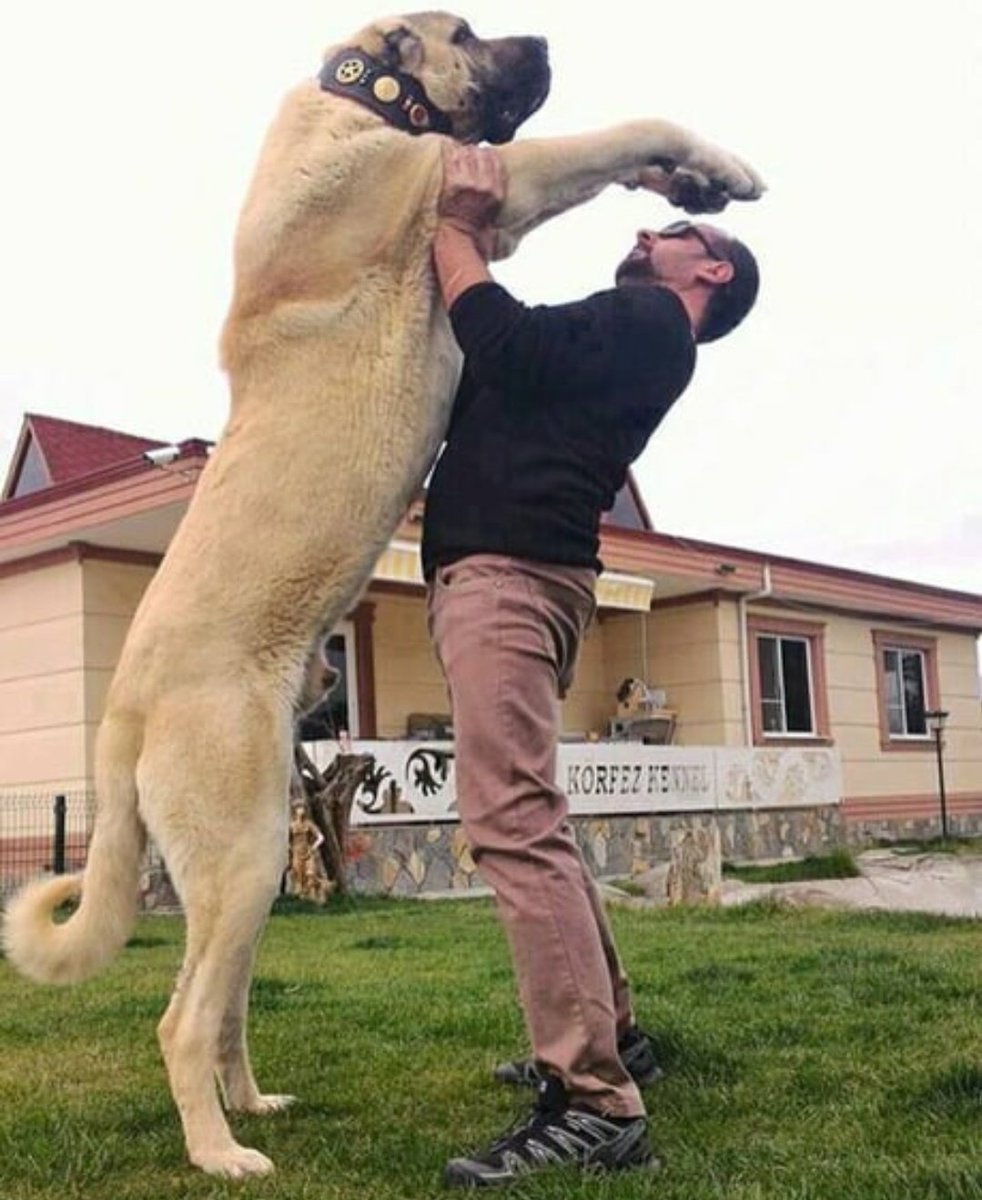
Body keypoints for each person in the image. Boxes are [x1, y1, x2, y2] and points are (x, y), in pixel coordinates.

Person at [423, 143, 759, 1189]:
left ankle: (595, 1099)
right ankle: (612, 1034)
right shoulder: (637, 330)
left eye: (673, 231)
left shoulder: (654, 321)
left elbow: (505, 343)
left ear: (709, 272)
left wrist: (451, 229)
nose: (646, 233)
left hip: (512, 576)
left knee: (511, 824)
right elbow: (508, 364)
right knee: (536, 820)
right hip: (524, 574)